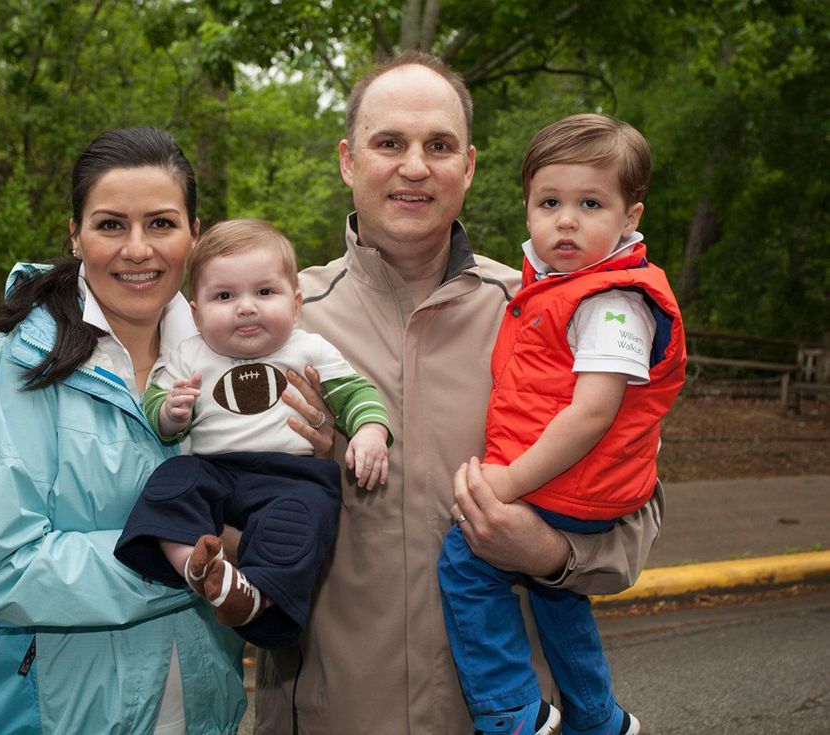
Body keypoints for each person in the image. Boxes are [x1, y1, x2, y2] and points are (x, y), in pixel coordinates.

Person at [254, 52, 666, 735]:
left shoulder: (548, 314)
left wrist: (549, 553)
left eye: (438, 146)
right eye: (389, 143)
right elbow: (226, 514)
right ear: (348, 161)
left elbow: (636, 514)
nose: (415, 166)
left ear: (468, 168)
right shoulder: (278, 323)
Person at [0, 128, 331, 734]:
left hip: (204, 712)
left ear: (195, 234)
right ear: (75, 235)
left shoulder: (229, 356)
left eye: (162, 224)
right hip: (57, 718)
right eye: (111, 224)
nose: (138, 249)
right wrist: (194, 563)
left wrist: (310, 457)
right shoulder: (13, 371)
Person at [438, 114, 686, 735]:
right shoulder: (559, 287)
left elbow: (592, 413)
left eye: (590, 203)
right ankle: (597, 715)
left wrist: (508, 484)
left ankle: (508, 709)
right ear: (527, 208)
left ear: (630, 216)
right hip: (576, 486)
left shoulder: (613, 301)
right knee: (557, 598)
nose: (567, 220)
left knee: (466, 564)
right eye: (550, 201)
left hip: (571, 483)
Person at [114, 218, 391, 648]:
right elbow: (157, 412)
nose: (246, 307)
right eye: (224, 296)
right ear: (196, 313)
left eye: (265, 292)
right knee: (170, 484)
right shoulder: (189, 354)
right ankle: (194, 564)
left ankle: (254, 598)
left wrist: (370, 430)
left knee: (300, 521)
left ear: (296, 304)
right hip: (214, 471)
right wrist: (171, 412)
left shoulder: (308, 349)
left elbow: (354, 392)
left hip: (291, 475)